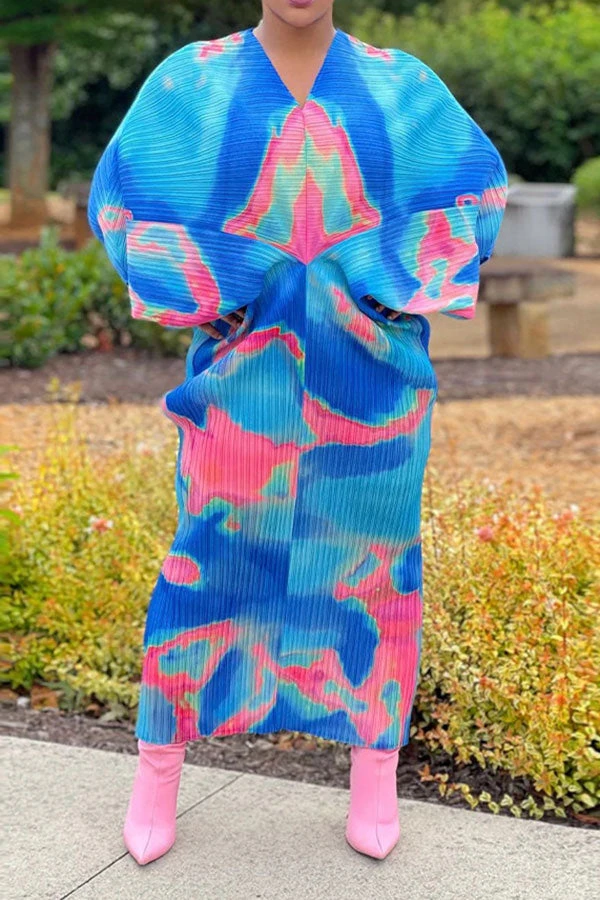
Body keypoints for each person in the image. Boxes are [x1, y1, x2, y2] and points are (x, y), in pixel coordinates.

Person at [88, 0, 508, 866]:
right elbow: (122, 200)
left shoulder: (401, 85)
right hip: (241, 377)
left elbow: (477, 196)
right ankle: (159, 767)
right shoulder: (192, 82)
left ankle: (375, 770)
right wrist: (222, 282)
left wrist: (380, 276)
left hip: (374, 384)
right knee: (208, 558)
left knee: (374, 567)